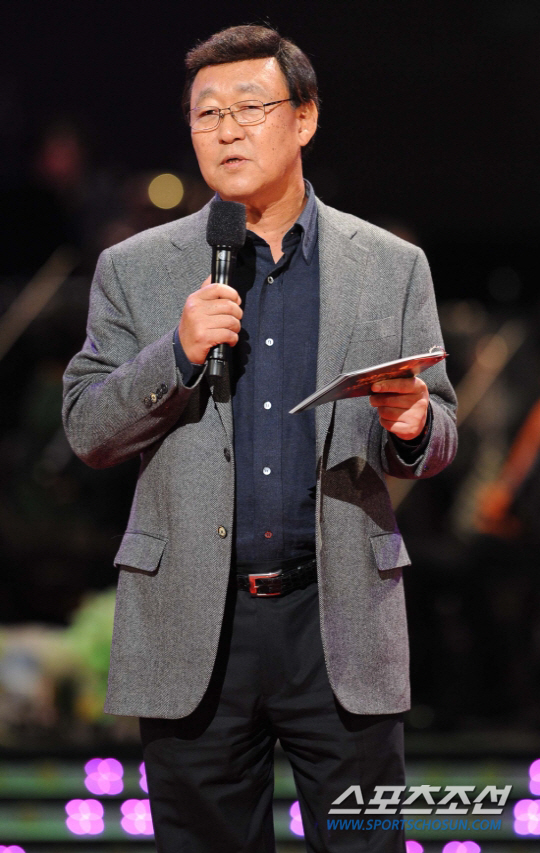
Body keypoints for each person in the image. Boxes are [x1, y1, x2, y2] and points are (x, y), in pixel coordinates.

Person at [62, 24, 457, 853]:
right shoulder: (135, 267)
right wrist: (175, 353)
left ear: (304, 118)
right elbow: (88, 429)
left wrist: (415, 426)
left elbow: (441, 429)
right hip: (194, 624)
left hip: (338, 616)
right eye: (207, 114)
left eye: (250, 107)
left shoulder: (391, 265)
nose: (227, 130)